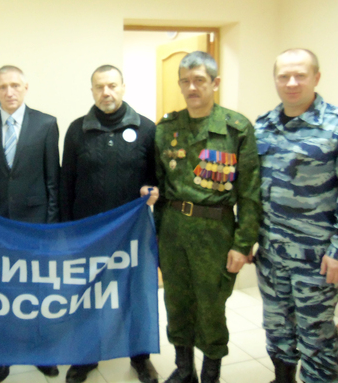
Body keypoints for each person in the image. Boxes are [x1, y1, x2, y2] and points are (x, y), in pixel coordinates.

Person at [154, 51, 261, 383]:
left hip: (215, 231)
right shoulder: (166, 128)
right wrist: (156, 236)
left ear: (215, 83)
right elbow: (159, 188)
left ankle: (211, 374)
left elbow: (250, 192)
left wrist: (242, 244)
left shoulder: (236, 128)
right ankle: (184, 370)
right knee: (176, 302)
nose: (192, 87)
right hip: (173, 230)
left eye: (199, 80)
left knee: (212, 307)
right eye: (185, 81)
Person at [60, 64, 159, 383]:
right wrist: (66, 231)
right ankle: (86, 356)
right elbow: (66, 182)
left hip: (132, 233)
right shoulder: (77, 130)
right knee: (88, 296)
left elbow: (156, 178)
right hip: (88, 234)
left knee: (134, 296)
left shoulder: (146, 129)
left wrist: (153, 190)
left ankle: (140, 357)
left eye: (112, 85)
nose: (106, 92)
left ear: (123, 87)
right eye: (100, 87)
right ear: (92, 91)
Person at [0, 65, 60, 382]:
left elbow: (53, 180)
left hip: (35, 224)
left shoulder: (46, 124)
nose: (9, 92)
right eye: (2, 87)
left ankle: (41, 351)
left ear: (25, 87)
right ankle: (3, 353)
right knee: (0, 291)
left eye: (15, 85)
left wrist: (50, 229)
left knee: (37, 290)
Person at [255, 48, 338, 383]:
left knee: (316, 335)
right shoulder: (262, 126)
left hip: (315, 257)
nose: (291, 83)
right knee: (277, 328)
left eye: (300, 75)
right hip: (271, 254)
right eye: (284, 76)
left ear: (316, 77)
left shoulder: (334, 126)